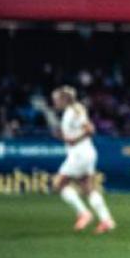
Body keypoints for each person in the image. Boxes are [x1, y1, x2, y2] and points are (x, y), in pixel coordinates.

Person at [50, 85, 114, 233]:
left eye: (56, 99)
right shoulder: (74, 110)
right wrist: (66, 137)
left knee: (58, 184)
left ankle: (83, 213)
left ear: (64, 99)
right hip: (86, 152)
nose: (55, 103)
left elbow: (90, 129)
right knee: (88, 188)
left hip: (79, 153)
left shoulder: (73, 111)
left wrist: (73, 140)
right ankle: (106, 220)